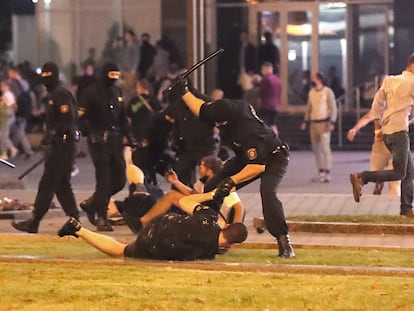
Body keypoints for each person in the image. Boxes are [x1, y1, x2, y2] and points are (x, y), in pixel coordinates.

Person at [166, 76, 295, 258]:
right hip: (246, 157)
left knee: (267, 192)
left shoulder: (246, 129)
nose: (216, 126)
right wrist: (184, 91)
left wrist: (232, 181)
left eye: (219, 123)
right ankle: (207, 233)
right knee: (212, 186)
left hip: (273, 157)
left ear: (228, 119)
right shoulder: (223, 110)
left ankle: (284, 241)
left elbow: (257, 166)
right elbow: (201, 108)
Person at [57, 191, 248, 261]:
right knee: (121, 250)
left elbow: (185, 202)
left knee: (123, 247)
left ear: (226, 226)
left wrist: (211, 195)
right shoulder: (208, 252)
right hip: (154, 246)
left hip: (160, 223)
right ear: (234, 245)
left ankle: (78, 227)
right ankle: (78, 229)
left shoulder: (209, 218)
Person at [11, 62, 80, 233]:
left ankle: (34, 221)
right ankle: (75, 221)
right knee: (61, 185)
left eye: (48, 75)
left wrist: (53, 134)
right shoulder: (53, 94)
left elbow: (68, 118)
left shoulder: (60, 94)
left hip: (63, 144)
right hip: (59, 144)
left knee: (48, 183)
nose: (45, 79)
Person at [348, 53, 414, 217]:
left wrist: (378, 126)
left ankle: (406, 209)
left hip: (388, 132)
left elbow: (376, 104)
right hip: (399, 132)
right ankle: (362, 178)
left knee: (409, 171)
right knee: (400, 172)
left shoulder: (390, 80)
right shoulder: (412, 83)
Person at [77, 61, 136, 231]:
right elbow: (79, 116)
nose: (114, 79)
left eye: (116, 76)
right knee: (103, 180)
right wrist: (89, 132)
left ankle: (93, 203)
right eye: (111, 75)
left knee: (119, 180)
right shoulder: (91, 92)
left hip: (115, 141)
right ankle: (102, 217)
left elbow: (123, 117)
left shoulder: (116, 91)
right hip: (98, 141)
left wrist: (129, 137)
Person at [119, 155, 245, 234]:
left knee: (173, 195)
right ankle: (146, 223)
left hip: (214, 221)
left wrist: (235, 230)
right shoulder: (203, 183)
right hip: (202, 213)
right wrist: (175, 182)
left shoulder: (223, 184)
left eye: (201, 166)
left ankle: (143, 223)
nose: (198, 169)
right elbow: (193, 194)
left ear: (209, 170)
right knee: (173, 196)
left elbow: (239, 207)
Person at [299, 72, 337, 183]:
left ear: (319, 79)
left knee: (325, 148)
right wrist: (305, 121)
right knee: (316, 149)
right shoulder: (311, 92)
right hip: (314, 123)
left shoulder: (327, 92)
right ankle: (320, 171)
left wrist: (332, 122)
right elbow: (309, 108)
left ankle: (327, 172)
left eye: (313, 78)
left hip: (324, 123)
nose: (311, 79)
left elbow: (333, 108)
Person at [7, 66, 34, 158]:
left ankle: (26, 150)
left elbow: (14, 98)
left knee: (19, 131)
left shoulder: (13, 83)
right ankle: (14, 149)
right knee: (16, 130)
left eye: (10, 73)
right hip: (25, 109)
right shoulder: (24, 82)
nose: (9, 75)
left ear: (15, 73)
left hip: (19, 110)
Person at [370, 118, 399, 195]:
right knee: (376, 174)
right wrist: (377, 131)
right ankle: (379, 182)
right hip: (380, 148)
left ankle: (394, 203)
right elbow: (370, 116)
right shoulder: (379, 107)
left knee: (394, 181)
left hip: (396, 148)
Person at [256, 62, 281, 135]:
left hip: (266, 105)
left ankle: (265, 143)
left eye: (262, 69)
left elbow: (261, 93)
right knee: (273, 125)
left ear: (266, 69)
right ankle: (276, 141)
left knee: (263, 125)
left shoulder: (265, 79)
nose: (262, 71)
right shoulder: (277, 79)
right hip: (275, 106)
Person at [0, 80, 18, 160]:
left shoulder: (7, 95)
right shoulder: (9, 95)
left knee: (3, 136)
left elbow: (7, 107)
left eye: (3, 86)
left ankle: (12, 149)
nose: (2, 88)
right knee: (3, 136)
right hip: (7, 117)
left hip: (6, 118)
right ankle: (4, 153)